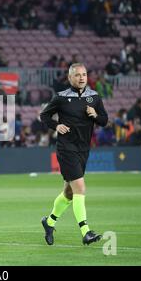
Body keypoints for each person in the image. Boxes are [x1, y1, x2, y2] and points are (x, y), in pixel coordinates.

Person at [40, 63, 108, 245]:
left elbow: (104, 120)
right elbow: (44, 116)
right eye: (77, 75)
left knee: (69, 193)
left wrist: (95, 115)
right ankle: (86, 232)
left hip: (84, 149)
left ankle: (49, 222)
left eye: (84, 74)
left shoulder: (94, 97)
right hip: (66, 148)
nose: (81, 78)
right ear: (70, 78)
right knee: (80, 188)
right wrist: (56, 126)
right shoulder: (61, 98)